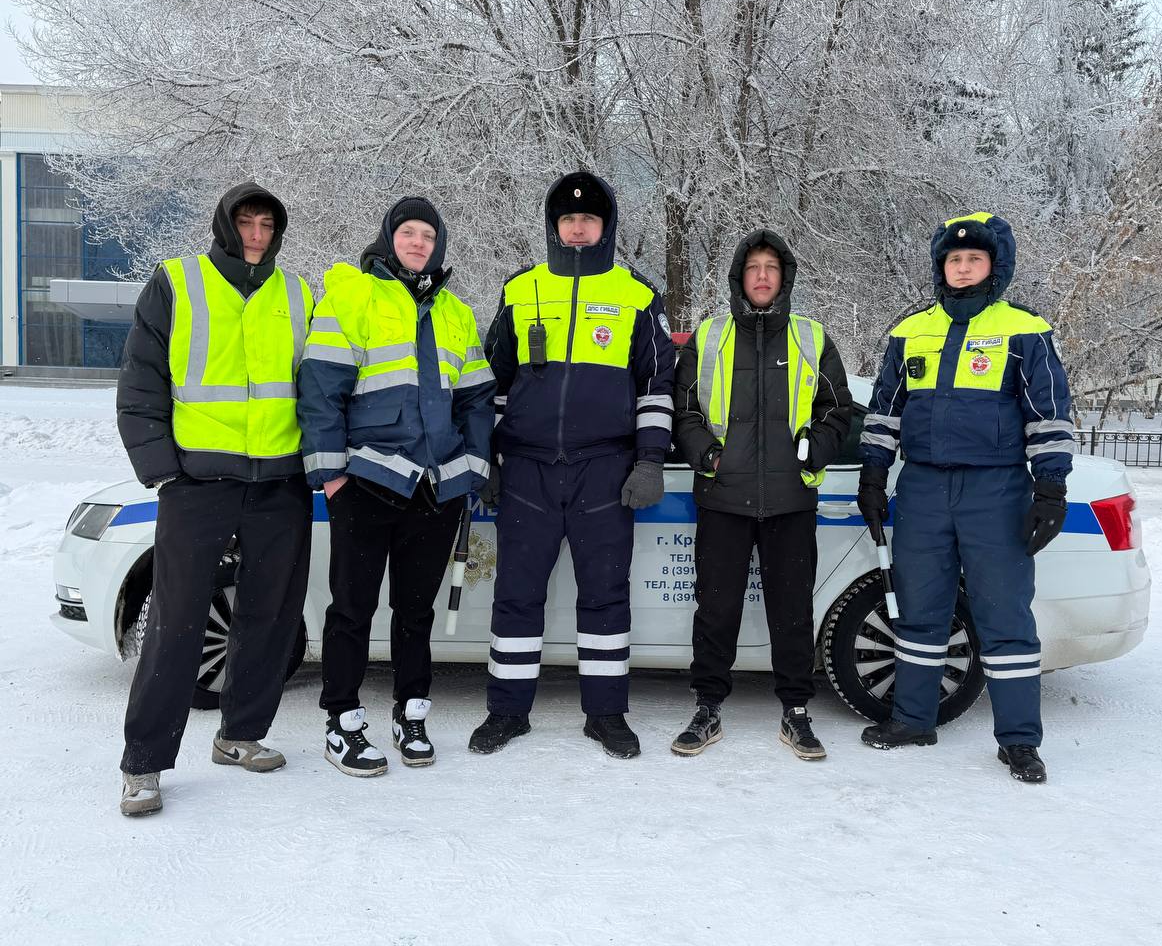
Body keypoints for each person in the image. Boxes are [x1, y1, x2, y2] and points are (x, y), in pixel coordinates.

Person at [116, 183, 315, 816]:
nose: (256, 234)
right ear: (226, 227)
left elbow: (320, 382)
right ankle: (143, 764)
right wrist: (163, 471)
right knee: (175, 622)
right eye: (247, 223)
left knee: (270, 615)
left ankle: (240, 736)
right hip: (199, 483)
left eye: (266, 225)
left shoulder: (300, 293)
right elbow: (141, 380)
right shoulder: (177, 283)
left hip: (280, 480)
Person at [856, 211, 1074, 783]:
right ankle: (913, 720)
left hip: (995, 489)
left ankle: (1020, 741)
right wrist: (873, 474)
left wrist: (1050, 487)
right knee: (921, 612)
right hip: (923, 487)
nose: (962, 267)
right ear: (940, 267)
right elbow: (884, 413)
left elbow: (1048, 415)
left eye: (974, 259)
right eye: (953, 259)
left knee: (1003, 617)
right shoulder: (910, 332)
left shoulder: (1024, 329)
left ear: (994, 267)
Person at [470, 171, 674, 759]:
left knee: (605, 595)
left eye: (588, 220)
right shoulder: (520, 290)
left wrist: (651, 460)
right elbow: (491, 382)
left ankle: (606, 715)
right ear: (554, 226)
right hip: (529, 470)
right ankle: (507, 712)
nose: (578, 228)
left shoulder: (638, 295)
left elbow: (657, 386)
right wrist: (489, 457)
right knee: (515, 594)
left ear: (605, 228)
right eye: (568, 220)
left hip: (605, 470)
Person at [297, 197, 494, 777]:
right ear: (389, 238)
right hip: (366, 480)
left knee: (416, 613)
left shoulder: (456, 312)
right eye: (407, 232)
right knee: (352, 610)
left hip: (435, 490)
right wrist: (331, 474)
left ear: (439, 246)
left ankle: (411, 711)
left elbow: (478, 398)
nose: (417, 242)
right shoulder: (354, 297)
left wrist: (472, 466)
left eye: (427, 235)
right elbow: (320, 388)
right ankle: (342, 717)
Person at [670, 230, 853, 759]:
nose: (764, 276)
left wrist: (813, 449)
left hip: (791, 500)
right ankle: (707, 708)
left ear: (785, 276)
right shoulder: (709, 337)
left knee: (792, 611)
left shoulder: (811, 338)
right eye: (754, 268)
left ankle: (796, 712)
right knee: (716, 608)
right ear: (739, 277)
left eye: (773, 267)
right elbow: (683, 411)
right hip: (722, 499)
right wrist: (708, 455)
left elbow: (838, 409)